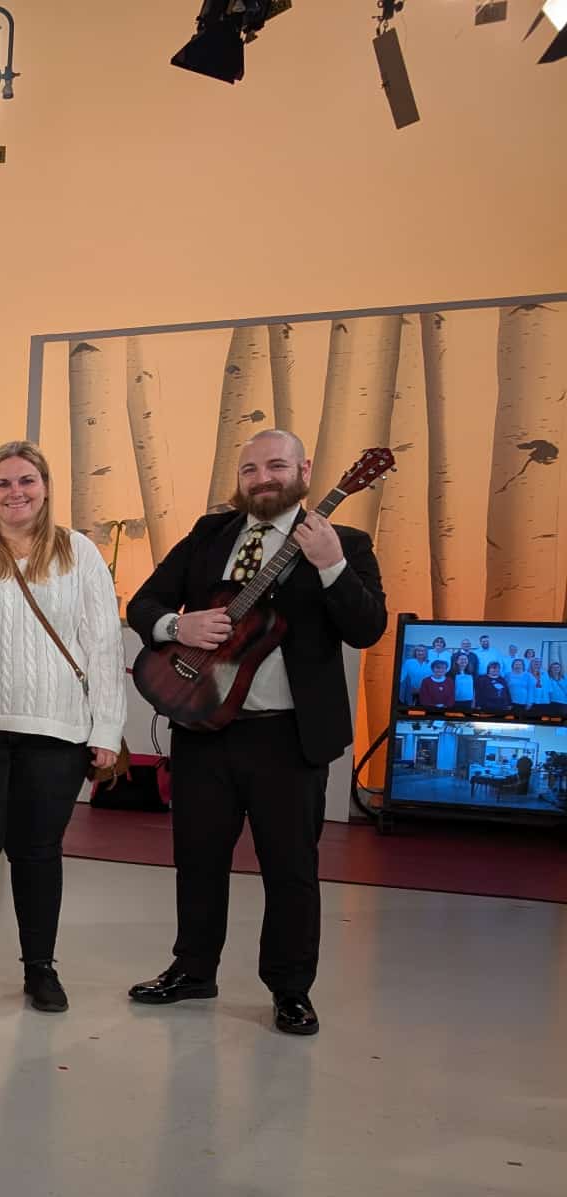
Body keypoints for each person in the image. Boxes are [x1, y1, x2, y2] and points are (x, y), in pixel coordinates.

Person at [127, 428, 387, 1038]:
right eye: (250, 469)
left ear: (305, 471)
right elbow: (144, 604)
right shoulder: (209, 535)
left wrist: (331, 566)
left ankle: (291, 989)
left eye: (276, 466)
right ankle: (193, 970)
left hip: (289, 738)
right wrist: (177, 627)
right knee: (197, 860)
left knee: (290, 869)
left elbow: (367, 628)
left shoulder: (345, 543)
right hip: (203, 729)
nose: (263, 478)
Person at [0, 441, 124, 1014]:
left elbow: (103, 642)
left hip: (57, 729)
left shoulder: (78, 551)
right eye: (3, 483)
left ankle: (40, 968)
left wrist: (107, 728)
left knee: (38, 853)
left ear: (45, 488)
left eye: (26, 481)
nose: (15, 492)